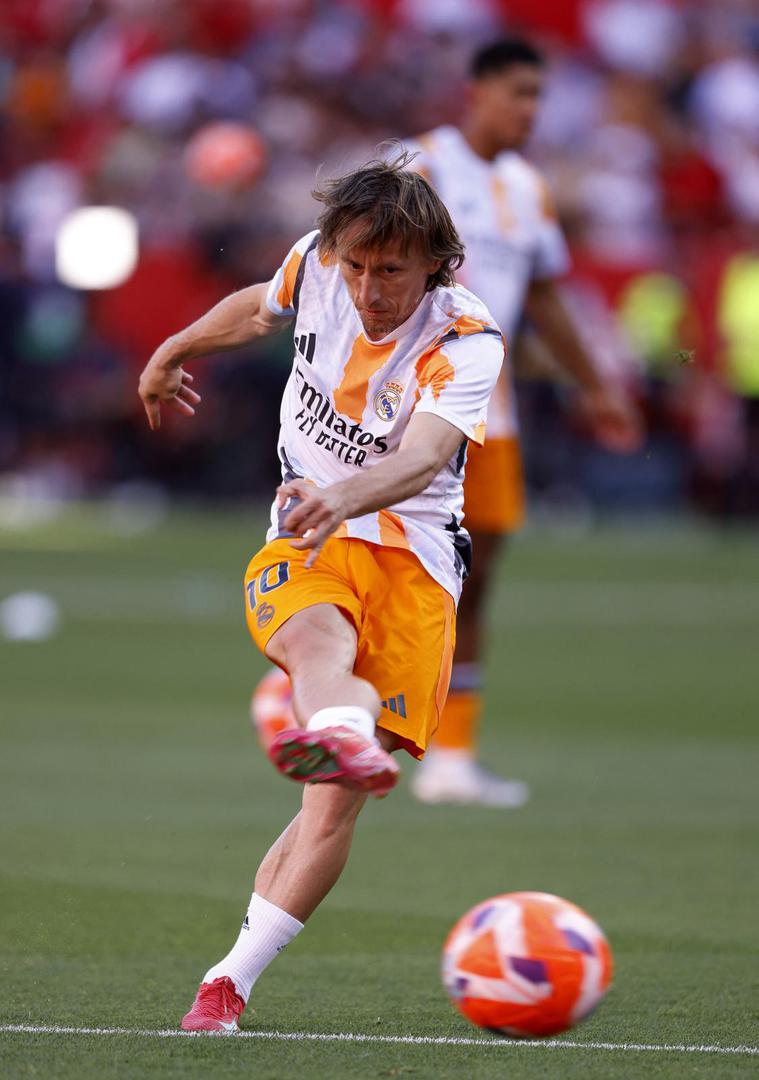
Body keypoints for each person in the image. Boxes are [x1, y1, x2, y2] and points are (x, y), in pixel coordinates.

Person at [138, 155, 505, 1032]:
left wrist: (342, 495)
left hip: (414, 562)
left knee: (332, 806)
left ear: (437, 265)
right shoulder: (316, 262)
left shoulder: (465, 340)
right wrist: (174, 348)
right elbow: (258, 307)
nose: (370, 290)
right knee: (315, 643)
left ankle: (228, 981)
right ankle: (338, 730)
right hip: (310, 532)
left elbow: (423, 457)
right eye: (357, 268)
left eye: (392, 272)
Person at [403, 39, 642, 807]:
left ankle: (450, 760)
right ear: (475, 91)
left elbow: (543, 297)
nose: (530, 110)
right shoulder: (420, 168)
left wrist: (594, 385)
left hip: (491, 414)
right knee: (389, 572)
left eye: (538, 96)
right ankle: (342, 720)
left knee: (473, 583)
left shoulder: (527, 189)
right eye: (517, 93)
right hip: (409, 407)